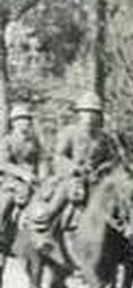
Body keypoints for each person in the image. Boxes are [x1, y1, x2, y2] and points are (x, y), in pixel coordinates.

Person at [27, 91, 117, 266]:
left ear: (99, 115)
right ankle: (45, 227)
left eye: (94, 113)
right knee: (67, 192)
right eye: (86, 112)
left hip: (95, 179)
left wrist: (103, 168)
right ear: (79, 113)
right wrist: (74, 168)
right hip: (71, 177)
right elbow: (59, 156)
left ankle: (122, 238)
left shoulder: (104, 137)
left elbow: (112, 159)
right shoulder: (69, 132)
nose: (90, 117)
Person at [0, 103, 42, 236]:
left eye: (27, 120)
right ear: (14, 123)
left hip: (33, 182)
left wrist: (42, 175)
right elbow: (3, 163)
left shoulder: (34, 141)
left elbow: (42, 159)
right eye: (21, 120)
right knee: (6, 202)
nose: (25, 123)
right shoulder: (7, 141)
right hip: (11, 181)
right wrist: (23, 174)